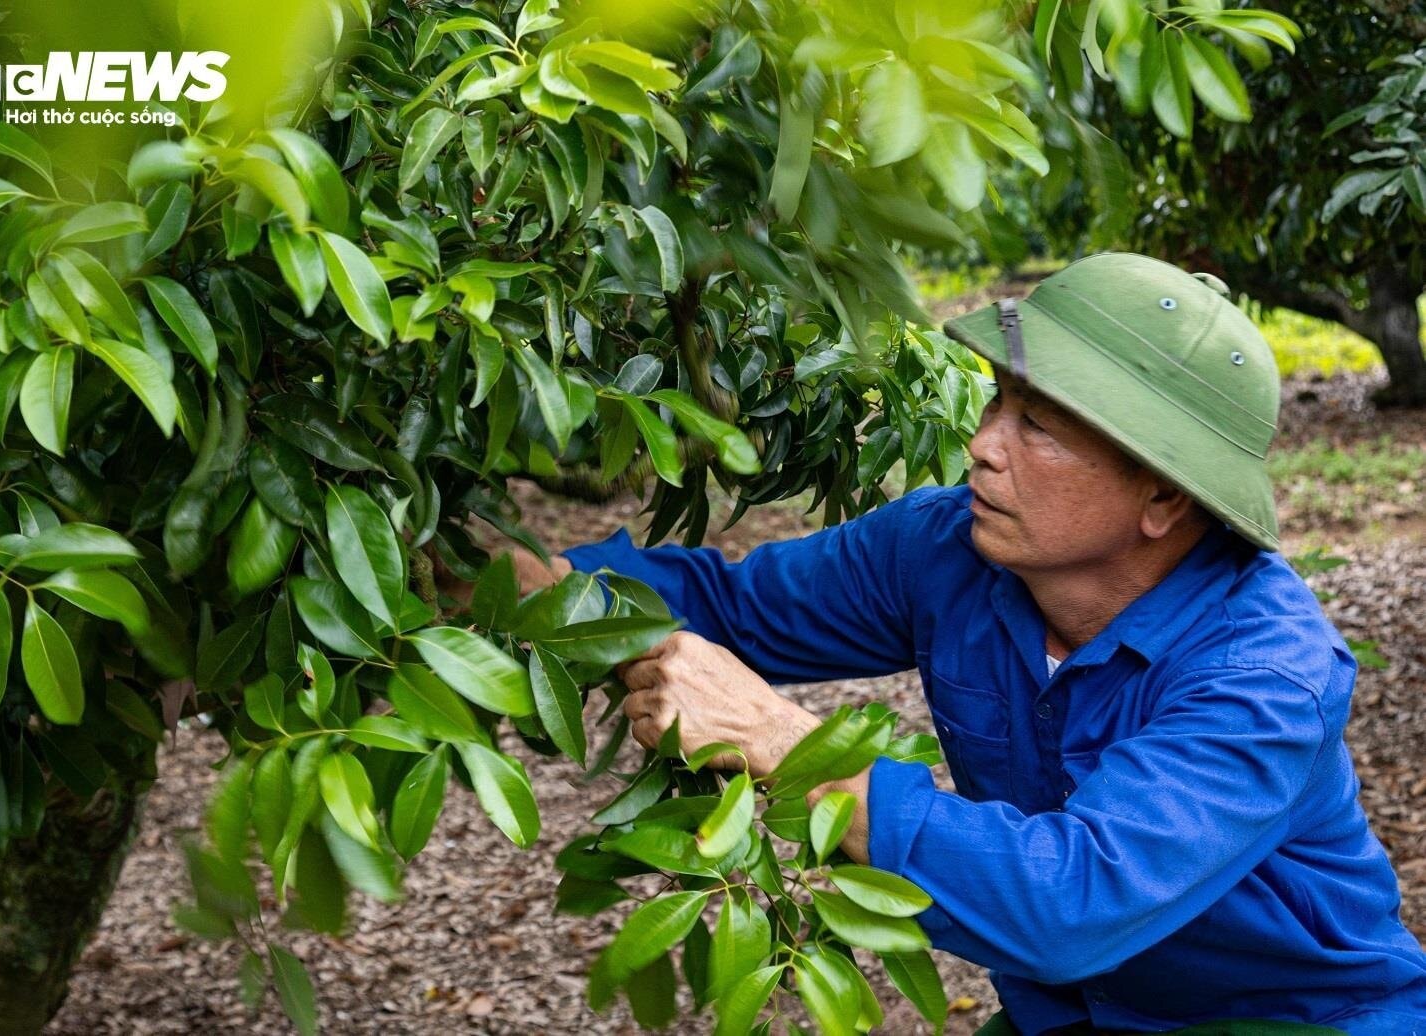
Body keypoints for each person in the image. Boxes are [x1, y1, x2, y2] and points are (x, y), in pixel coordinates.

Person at [512, 255, 1426, 1033]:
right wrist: (531, 579)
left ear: (1164, 497)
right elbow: (733, 607)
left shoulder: (1264, 673)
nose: (983, 446)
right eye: (996, 404)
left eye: (1038, 425)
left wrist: (786, 749)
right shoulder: (947, 550)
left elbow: (1072, 902)